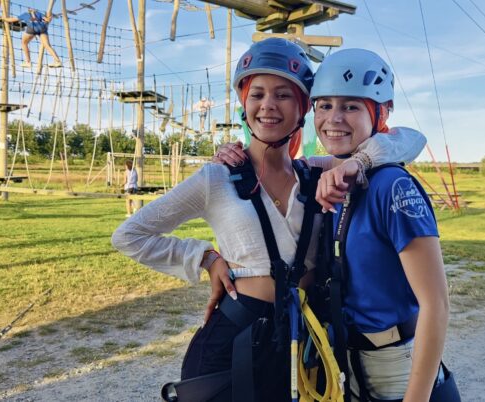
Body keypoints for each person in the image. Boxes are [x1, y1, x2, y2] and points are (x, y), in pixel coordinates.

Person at [112, 38, 425, 402]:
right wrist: (204, 258)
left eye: (283, 95)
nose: (268, 105)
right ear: (244, 104)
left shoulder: (316, 173)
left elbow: (408, 140)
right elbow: (130, 235)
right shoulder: (217, 178)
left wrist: (361, 161)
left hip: (302, 340)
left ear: (302, 108)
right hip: (235, 338)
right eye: (257, 94)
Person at [311, 49, 454, 402]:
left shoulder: (392, 185)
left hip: (394, 369)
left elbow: (436, 304)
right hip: (347, 365)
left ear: (382, 113)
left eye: (351, 106)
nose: (334, 118)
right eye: (324, 105)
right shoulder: (331, 175)